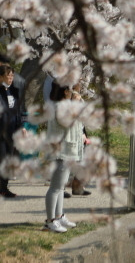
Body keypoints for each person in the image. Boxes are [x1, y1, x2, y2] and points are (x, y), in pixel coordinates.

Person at [43, 83, 84, 233]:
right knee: (55, 188)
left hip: (69, 150)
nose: (74, 92)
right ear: (65, 91)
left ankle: (59, 216)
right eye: (71, 90)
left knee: (60, 188)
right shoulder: (58, 106)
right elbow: (67, 122)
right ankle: (49, 221)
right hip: (61, 151)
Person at [0, 64, 24, 198]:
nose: (10, 78)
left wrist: (22, 127)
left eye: (12, 75)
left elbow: (17, 111)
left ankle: (3, 187)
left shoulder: (13, 91)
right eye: (8, 75)